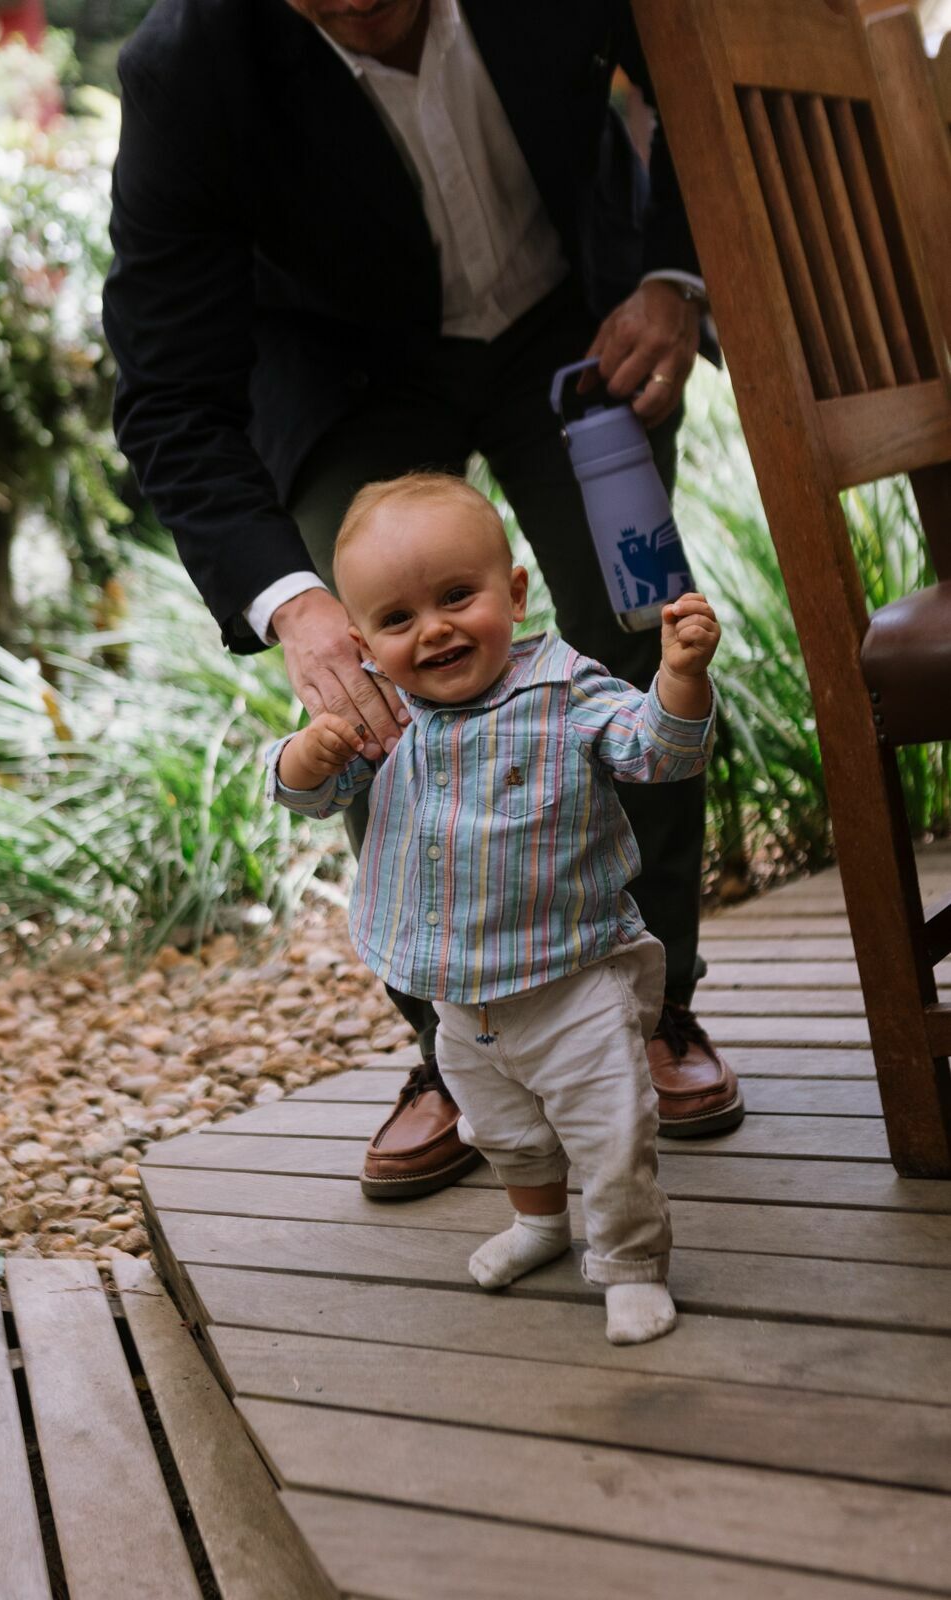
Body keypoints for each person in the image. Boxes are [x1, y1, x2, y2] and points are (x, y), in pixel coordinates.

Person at [103, 0, 745, 1203]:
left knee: (637, 629)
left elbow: (702, 65)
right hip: (351, 369)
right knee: (375, 683)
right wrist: (292, 601)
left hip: (577, 328)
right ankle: (450, 1056)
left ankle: (652, 1011)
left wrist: (674, 272)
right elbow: (168, 397)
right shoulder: (187, 69)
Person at [267, 472, 720, 1344]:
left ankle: (629, 1262)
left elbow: (658, 755)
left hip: (570, 978)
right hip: (459, 996)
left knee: (610, 1133)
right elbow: (310, 799)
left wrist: (679, 679)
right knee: (504, 1129)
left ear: (511, 593)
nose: (432, 629)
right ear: (364, 644)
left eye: (455, 597)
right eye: (397, 620)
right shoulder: (382, 716)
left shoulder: (566, 689)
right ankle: (540, 1224)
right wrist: (305, 755)